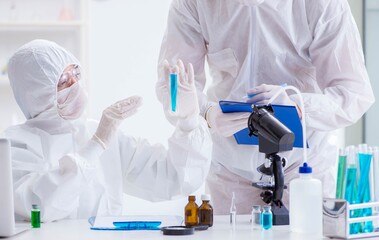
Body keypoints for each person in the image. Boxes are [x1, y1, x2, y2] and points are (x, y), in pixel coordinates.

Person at [157, 0, 375, 214]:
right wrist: (207, 113)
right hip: (229, 168)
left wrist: (300, 106)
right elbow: (174, 84)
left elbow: (353, 92)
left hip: (303, 166)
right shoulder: (193, 4)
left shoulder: (321, 4)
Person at [2, 39, 212, 222]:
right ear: (36, 94)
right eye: (64, 81)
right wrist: (96, 145)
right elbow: (38, 205)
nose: (76, 85)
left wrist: (188, 123)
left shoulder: (100, 132)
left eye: (76, 73)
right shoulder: (16, 145)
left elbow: (173, 178)